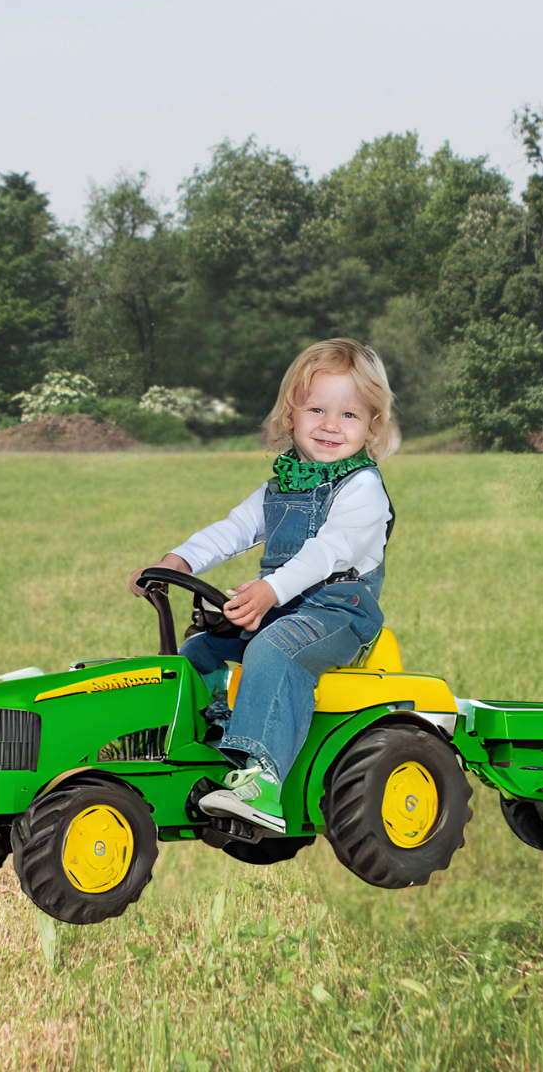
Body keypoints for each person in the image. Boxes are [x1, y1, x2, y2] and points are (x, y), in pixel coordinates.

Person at [129, 339, 399, 833]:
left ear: (372, 425)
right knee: (199, 650)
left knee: (275, 648)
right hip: (280, 606)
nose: (330, 425)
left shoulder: (363, 488)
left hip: (337, 614)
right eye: (316, 409)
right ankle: (209, 737)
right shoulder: (282, 484)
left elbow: (327, 551)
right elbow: (233, 530)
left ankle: (263, 781)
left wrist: (270, 590)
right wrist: (178, 559)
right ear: (290, 415)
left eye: (349, 415)